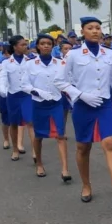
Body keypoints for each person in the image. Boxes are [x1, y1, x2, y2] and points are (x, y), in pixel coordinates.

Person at [54, 17, 112, 205]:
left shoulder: (110, 54)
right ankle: (86, 184)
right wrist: (80, 95)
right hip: (83, 105)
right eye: (90, 28)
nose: (95, 31)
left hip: (103, 104)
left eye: (98, 27)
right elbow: (60, 81)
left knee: (111, 143)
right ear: (83, 32)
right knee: (83, 147)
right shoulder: (73, 55)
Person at [21, 34, 70, 181]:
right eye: (42, 43)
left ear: (53, 45)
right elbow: (24, 85)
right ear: (38, 46)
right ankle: (40, 164)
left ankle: (65, 169)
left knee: (60, 135)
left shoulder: (60, 63)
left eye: (49, 43)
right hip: (39, 104)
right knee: (39, 136)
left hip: (56, 103)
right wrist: (38, 92)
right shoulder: (30, 64)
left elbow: (67, 81)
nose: (46, 46)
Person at [0, 36, 35, 161]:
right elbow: (2, 77)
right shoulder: (6, 63)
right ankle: (15, 150)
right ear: (15, 47)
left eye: (26, 44)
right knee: (13, 123)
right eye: (23, 44)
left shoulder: (31, 61)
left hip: (27, 95)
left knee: (30, 122)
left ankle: (35, 150)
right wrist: (3, 90)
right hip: (13, 95)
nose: (26, 47)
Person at [0, 44, 12, 150]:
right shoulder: (0, 65)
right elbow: (0, 81)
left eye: (9, 53)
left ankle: (18, 143)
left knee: (19, 121)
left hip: (18, 95)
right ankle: (6, 139)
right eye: (5, 53)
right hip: (5, 95)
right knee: (5, 119)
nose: (7, 55)